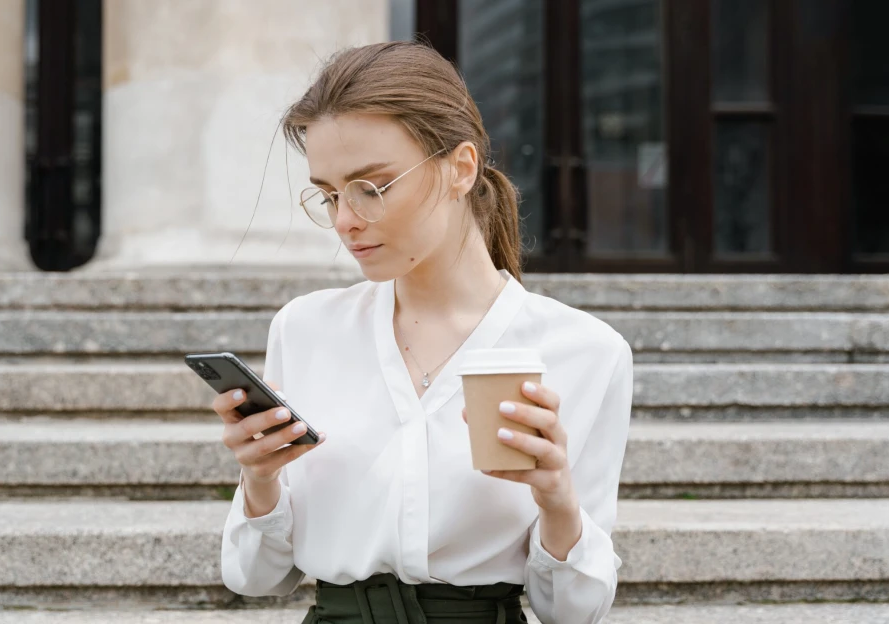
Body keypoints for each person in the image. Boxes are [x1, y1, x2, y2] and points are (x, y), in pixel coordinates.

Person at [215, 41, 633, 624]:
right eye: (330, 193)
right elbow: (256, 577)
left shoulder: (584, 351)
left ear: (460, 168)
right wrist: (259, 480)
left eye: (372, 187)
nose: (345, 220)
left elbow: (574, 610)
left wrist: (557, 499)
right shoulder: (306, 329)